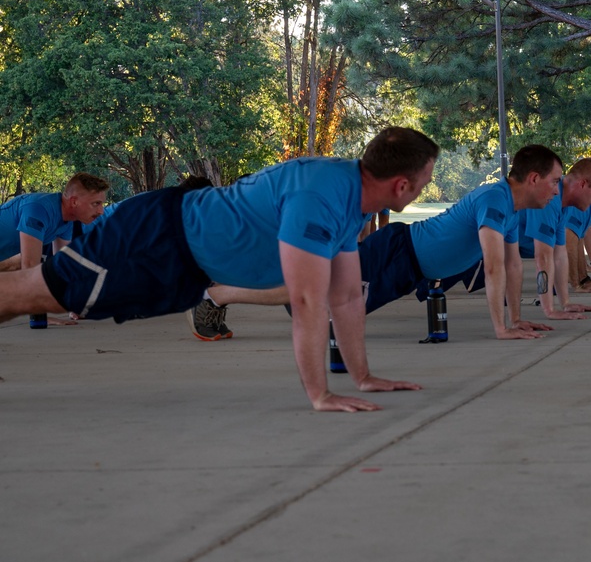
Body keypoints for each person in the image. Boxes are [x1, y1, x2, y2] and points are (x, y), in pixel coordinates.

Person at [0, 127, 439, 413]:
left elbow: (344, 297)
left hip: (183, 265)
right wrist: (320, 394)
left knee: (38, 293)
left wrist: (362, 378)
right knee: (34, 293)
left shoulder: (351, 199)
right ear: (403, 185)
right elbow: (306, 301)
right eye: (425, 179)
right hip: (154, 237)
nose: (424, 186)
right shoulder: (320, 197)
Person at [196, 145, 562, 341]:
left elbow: (513, 266)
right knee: (310, 299)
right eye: (555, 181)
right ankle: (218, 294)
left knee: (319, 307)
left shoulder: (512, 209)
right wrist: (500, 329)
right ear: (533, 178)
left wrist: (516, 319)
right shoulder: (495, 199)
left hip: (408, 268)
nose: (556, 190)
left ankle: (224, 290)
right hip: (397, 251)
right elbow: (495, 265)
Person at [518, 158, 591, 320]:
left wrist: (565, 303)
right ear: (582, 184)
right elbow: (543, 258)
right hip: (471, 251)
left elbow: (559, 255)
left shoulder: (564, 204)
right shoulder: (549, 199)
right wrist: (549, 310)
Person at [0, 173, 109, 271]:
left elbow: (60, 265)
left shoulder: (67, 221)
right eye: (96, 204)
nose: (101, 211)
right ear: (74, 202)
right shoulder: (39, 209)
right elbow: (30, 267)